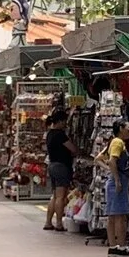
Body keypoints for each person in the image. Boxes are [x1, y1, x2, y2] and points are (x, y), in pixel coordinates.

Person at [101, 125, 129, 257]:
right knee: (120, 216)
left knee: (112, 216)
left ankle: (113, 246)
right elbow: (112, 161)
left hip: (115, 183)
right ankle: (121, 247)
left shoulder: (115, 142)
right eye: (127, 127)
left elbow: (100, 158)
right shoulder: (118, 142)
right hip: (118, 184)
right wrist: (117, 180)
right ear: (121, 128)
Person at [43, 99, 76, 232]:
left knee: (55, 196)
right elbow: (72, 149)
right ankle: (59, 223)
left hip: (52, 165)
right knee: (61, 197)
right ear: (61, 121)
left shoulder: (50, 134)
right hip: (61, 166)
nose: (66, 124)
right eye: (65, 121)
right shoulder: (60, 135)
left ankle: (48, 222)